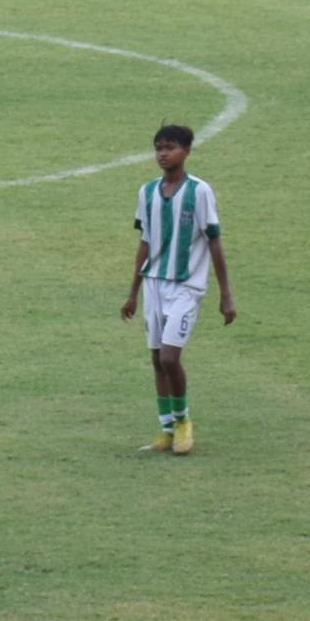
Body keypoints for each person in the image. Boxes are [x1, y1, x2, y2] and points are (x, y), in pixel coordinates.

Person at [120, 121, 232, 452]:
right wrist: (132, 292)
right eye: (158, 148)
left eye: (170, 148)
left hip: (186, 286)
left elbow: (214, 242)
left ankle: (184, 423)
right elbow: (145, 242)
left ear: (187, 151)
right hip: (154, 283)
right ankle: (166, 430)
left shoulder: (199, 192)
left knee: (170, 358)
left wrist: (226, 294)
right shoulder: (147, 192)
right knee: (156, 358)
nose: (162, 154)